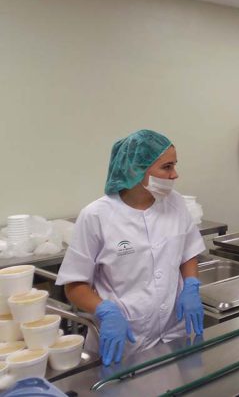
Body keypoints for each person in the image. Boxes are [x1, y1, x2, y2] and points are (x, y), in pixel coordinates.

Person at [56, 130, 206, 366]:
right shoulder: (96, 215)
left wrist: (191, 285)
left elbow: (189, 252)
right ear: (136, 170)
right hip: (123, 342)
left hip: (173, 336)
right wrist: (106, 311)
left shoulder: (174, 203)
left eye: (174, 165)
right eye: (166, 167)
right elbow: (74, 285)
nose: (175, 174)